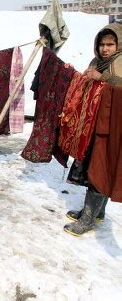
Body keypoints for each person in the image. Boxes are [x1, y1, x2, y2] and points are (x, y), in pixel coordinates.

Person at [64, 23, 122, 236]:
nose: (105, 49)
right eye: (102, 44)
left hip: (113, 126)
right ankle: (98, 213)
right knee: (97, 167)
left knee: (100, 170)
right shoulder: (97, 62)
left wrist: (104, 78)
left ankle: (88, 219)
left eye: (110, 44)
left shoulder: (120, 62)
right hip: (93, 124)